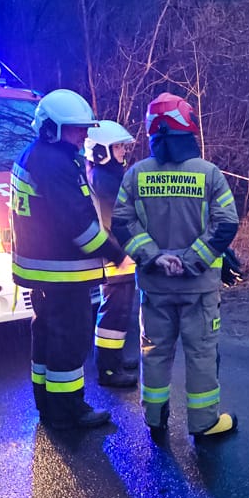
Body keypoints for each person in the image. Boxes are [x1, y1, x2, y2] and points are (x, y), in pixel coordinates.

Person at [111, 92, 240, 441]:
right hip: (199, 288)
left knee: (154, 352)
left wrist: (154, 256)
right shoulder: (209, 174)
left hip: (154, 286)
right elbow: (226, 224)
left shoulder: (136, 175)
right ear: (188, 127)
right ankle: (204, 423)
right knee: (201, 353)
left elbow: (122, 224)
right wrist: (190, 260)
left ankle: (155, 418)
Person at [10, 89, 132, 430]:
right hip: (62, 273)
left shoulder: (34, 156)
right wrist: (114, 252)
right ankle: (69, 411)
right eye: (76, 128)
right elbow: (79, 224)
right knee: (69, 341)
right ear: (52, 128)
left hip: (43, 271)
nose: (83, 135)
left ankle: (48, 405)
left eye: (84, 128)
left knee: (45, 336)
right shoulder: (55, 164)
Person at [85, 120, 139, 388]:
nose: (122, 152)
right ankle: (108, 370)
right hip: (116, 257)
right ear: (101, 150)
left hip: (118, 255)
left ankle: (114, 360)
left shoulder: (105, 175)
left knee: (119, 312)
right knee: (113, 313)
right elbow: (115, 219)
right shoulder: (104, 178)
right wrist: (124, 253)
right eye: (117, 147)